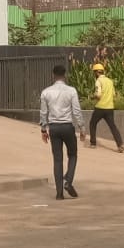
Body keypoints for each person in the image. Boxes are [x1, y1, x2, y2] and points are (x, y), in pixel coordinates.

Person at [39, 64, 85, 201]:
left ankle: (59, 193)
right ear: (65, 75)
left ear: (53, 75)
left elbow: (43, 112)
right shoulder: (71, 91)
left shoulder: (46, 92)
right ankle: (68, 180)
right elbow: (76, 111)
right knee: (73, 155)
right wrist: (82, 127)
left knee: (57, 159)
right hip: (67, 127)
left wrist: (43, 129)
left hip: (54, 128)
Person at [87, 63, 124, 153]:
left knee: (92, 123)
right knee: (112, 126)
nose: (94, 74)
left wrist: (92, 97)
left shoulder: (98, 81)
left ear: (96, 72)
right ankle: (120, 144)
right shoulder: (110, 81)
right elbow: (114, 94)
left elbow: (98, 94)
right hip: (110, 108)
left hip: (100, 107)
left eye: (94, 72)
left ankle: (93, 143)